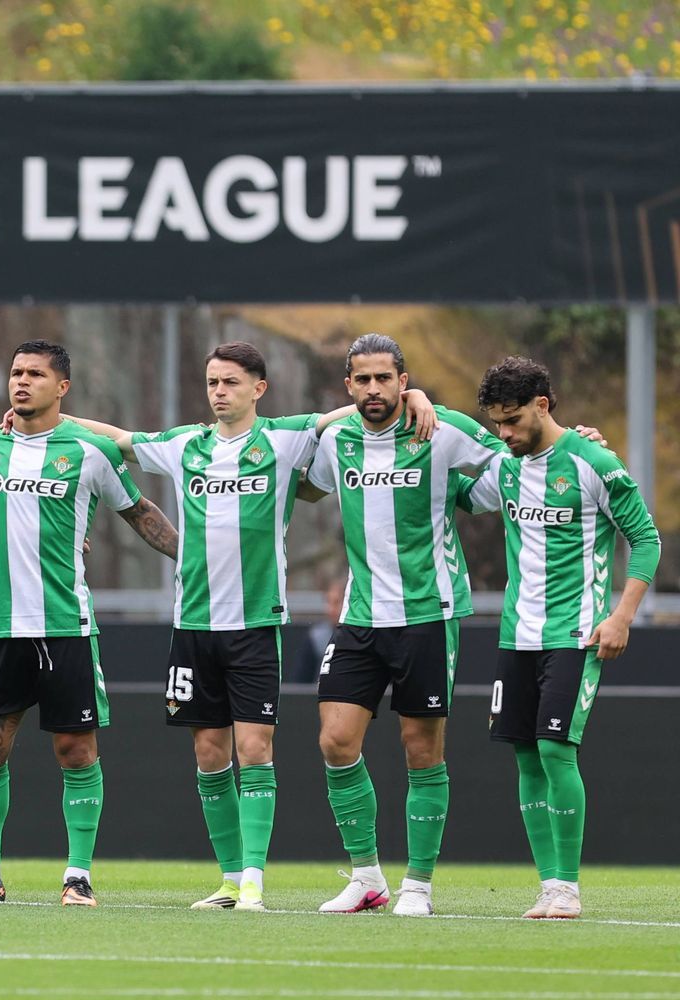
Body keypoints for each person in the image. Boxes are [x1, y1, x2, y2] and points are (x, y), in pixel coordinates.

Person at [64, 342, 432, 913]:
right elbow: (121, 439)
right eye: (213, 381)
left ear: (259, 388)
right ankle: (231, 880)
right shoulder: (186, 444)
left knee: (255, 748)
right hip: (193, 624)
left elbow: (349, 411)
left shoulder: (284, 439)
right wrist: (54, 419)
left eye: (231, 382)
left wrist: (414, 396)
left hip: (256, 623)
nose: (219, 391)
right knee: (209, 753)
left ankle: (255, 882)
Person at [0, 340, 178, 905]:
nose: (21, 381)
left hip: (65, 626)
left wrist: (191, 555)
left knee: (75, 750)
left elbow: (139, 512)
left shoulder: (89, 451)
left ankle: (77, 877)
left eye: (35, 374)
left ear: (62, 387)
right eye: (16, 372)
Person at [301, 333, 509, 917]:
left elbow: (517, 456)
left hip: (427, 613)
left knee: (421, 749)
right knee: (335, 740)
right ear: (348, 385)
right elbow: (304, 483)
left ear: (403, 380)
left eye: (384, 379)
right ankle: (367, 877)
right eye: (363, 379)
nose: (374, 389)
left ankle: (418, 884)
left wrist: (575, 443)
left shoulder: (439, 430)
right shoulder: (336, 439)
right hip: (360, 616)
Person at [461, 356, 659, 919]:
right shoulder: (505, 467)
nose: (504, 433)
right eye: (497, 423)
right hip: (515, 633)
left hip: (575, 632)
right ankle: (548, 886)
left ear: (542, 405)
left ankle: (568, 887)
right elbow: (455, 495)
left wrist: (622, 616)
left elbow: (646, 539)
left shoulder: (594, 461)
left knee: (554, 749)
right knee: (526, 756)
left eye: (513, 420)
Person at [291, 578, 345, 685]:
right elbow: (299, 684)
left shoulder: (364, 638)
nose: (330, 609)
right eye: (328, 602)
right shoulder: (316, 638)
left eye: (337, 602)